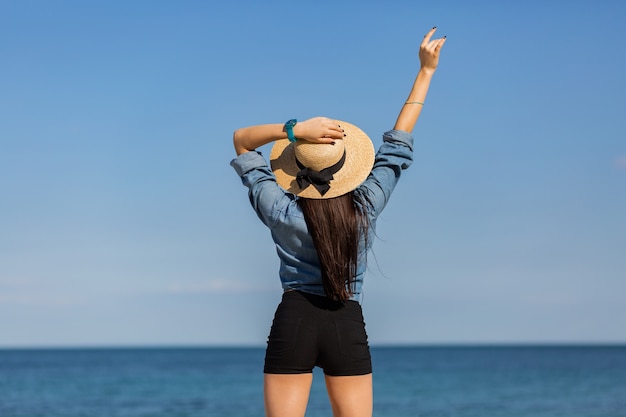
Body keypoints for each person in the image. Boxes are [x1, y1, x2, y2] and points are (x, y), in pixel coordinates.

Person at [230, 27, 445, 417]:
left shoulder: (280, 209)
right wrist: (425, 71)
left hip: (293, 320)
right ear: (349, 167)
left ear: (296, 167)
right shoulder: (366, 205)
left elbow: (242, 141)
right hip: (346, 320)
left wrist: (295, 130)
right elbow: (398, 144)